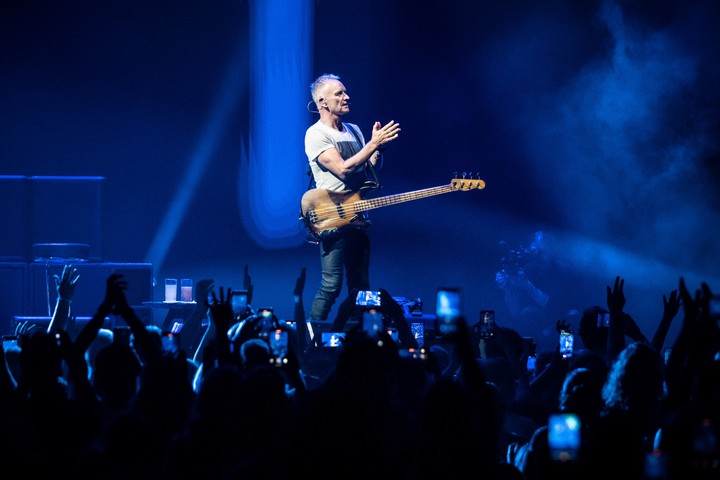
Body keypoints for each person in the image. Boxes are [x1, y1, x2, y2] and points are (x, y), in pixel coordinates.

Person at [302, 73, 401, 325]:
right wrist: (372, 144)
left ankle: (356, 339)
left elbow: (368, 168)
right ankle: (310, 339)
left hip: (358, 217)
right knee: (331, 287)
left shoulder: (354, 131)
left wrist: (377, 147)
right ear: (323, 102)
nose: (346, 97)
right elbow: (343, 169)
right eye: (339, 93)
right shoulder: (316, 134)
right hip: (331, 218)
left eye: (345, 92)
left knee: (360, 288)